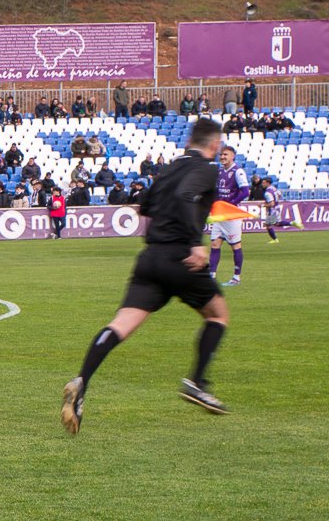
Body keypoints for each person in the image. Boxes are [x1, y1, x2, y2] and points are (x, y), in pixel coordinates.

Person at [62, 117, 231, 434]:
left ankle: (81, 379)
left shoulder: (167, 168)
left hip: (149, 259)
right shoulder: (208, 168)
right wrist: (195, 242)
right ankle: (196, 381)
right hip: (180, 256)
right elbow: (184, 197)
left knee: (120, 325)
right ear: (214, 144)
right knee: (218, 315)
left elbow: (145, 205)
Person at [208, 145, 252, 285]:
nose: (222, 157)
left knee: (235, 246)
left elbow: (245, 192)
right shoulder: (219, 172)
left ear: (233, 156)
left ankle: (236, 277)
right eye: (221, 154)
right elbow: (216, 192)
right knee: (215, 244)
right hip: (220, 214)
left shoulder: (238, 172)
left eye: (225, 154)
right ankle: (211, 277)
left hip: (232, 215)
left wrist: (232, 203)